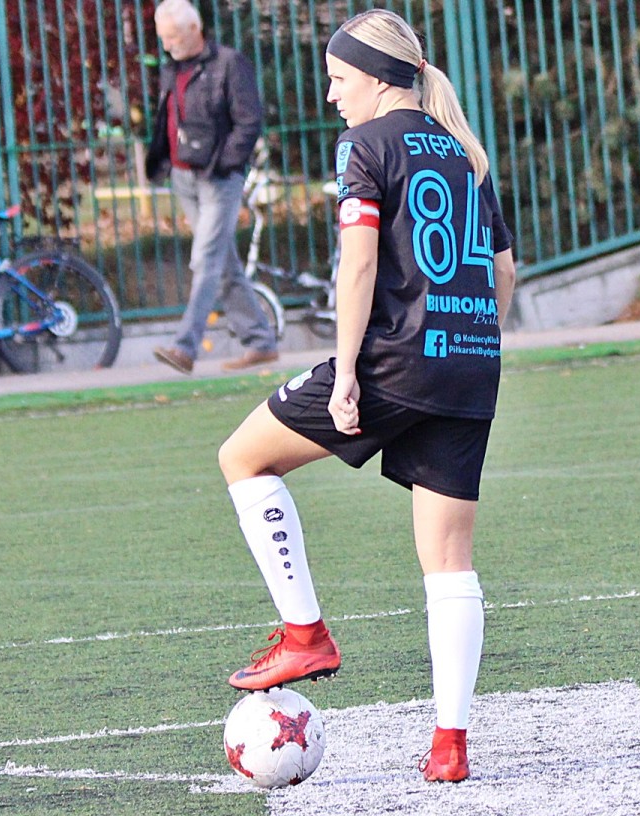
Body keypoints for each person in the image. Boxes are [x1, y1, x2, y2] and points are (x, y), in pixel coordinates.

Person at [216, 8, 517, 784]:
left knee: (243, 458)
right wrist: (474, 347)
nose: (331, 95)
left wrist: (346, 370)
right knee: (449, 565)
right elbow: (503, 271)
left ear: (379, 80)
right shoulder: (464, 150)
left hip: (393, 360)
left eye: (338, 78)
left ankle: (305, 633)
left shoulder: (368, 145)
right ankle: (450, 746)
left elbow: (357, 266)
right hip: (470, 364)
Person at [146, 0, 278, 374]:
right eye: (163, 38)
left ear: (195, 28)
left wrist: (225, 164)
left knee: (205, 259)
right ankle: (261, 341)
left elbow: (249, 122)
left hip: (218, 179)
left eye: (172, 36)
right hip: (184, 177)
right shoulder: (172, 68)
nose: (167, 45)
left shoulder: (228, 63)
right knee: (223, 264)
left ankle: (185, 347)